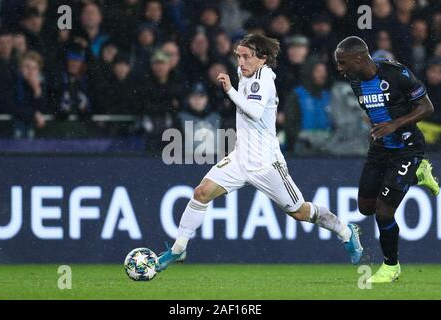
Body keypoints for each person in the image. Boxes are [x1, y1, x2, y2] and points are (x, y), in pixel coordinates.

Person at [156, 34, 363, 272]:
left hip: (267, 163)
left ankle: (345, 231)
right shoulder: (245, 73)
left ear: (262, 59)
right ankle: (178, 249)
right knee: (201, 193)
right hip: (239, 158)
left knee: (299, 211)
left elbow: (254, 111)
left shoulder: (264, 79)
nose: (241, 62)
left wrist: (230, 91)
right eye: (239, 57)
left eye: (247, 57)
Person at [334, 36, 440, 283]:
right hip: (380, 149)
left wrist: (395, 124)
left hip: (407, 148)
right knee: (365, 208)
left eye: (342, 62)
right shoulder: (354, 79)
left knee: (383, 213)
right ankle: (418, 175)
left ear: (360, 59)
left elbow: (427, 108)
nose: (340, 68)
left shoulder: (396, 73)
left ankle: (391, 266)